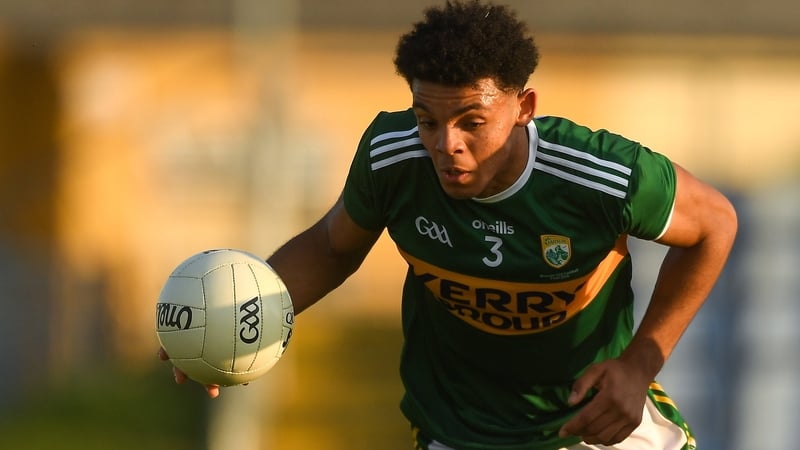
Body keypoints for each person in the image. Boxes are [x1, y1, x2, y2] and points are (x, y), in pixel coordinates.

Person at [159, 1, 737, 448]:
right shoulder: (393, 157)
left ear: (524, 107)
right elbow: (334, 247)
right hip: (461, 430)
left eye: (471, 121)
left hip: (591, 423)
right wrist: (234, 324)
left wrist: (640, 362)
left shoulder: (597, 174)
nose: (446, 145)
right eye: (426, 119)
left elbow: (714, 222)